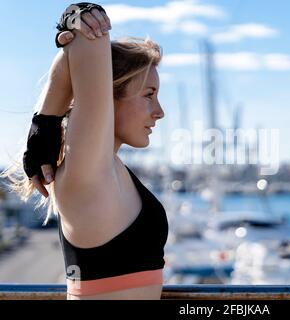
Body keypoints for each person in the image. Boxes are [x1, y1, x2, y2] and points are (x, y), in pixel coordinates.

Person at [0, 3, 168, 300]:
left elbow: (75, 51)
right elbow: (88, 41)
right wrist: (81, 14)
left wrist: (43, 126)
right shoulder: (91, 172)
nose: (159, 112)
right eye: (148, 95)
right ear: (108, 96)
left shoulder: (109, 170)